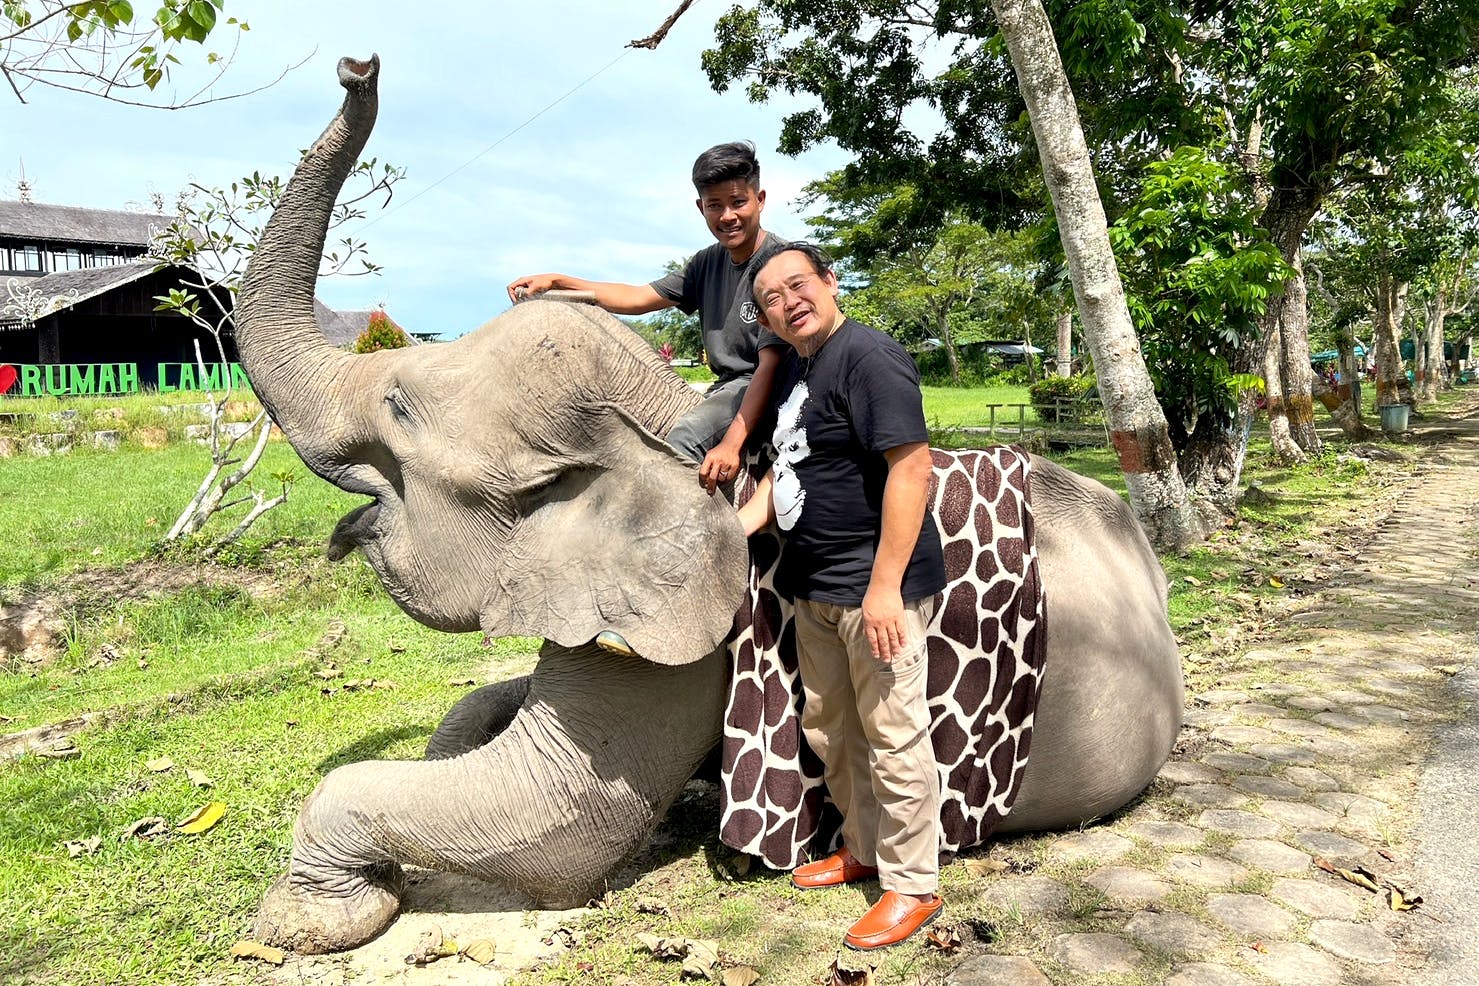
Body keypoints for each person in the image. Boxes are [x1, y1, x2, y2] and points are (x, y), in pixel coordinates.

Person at [736, 243, 947, 951]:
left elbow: (911, 468)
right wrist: (737, 526)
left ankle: (913, 885)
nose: (788, 302)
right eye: (771, 298)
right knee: (833, 729)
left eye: (798, 284)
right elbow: (788, 461)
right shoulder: (800, 367)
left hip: (873, 590)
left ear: (830, 282)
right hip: (816, 587)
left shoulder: (869, 357)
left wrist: (884, 588)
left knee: (893, 735)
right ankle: (862, 848)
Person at [506, 141, 788, 493]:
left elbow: (770, 365)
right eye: (715, 205)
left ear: (759, 200)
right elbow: (638, 297)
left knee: (683, 438)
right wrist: (559, 281)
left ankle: (701, 528)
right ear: (701, 208)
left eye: (738, 202)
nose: (727, 216)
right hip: (725, 388)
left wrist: (731, 445)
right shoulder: (707, 262)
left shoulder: (779, 263)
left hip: (767, 384)